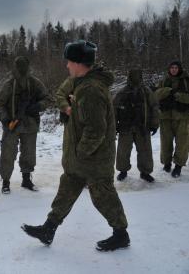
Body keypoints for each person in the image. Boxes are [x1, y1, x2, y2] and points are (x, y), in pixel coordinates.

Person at [22, 40, 130, 252]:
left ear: (80, 63)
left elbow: (96, 129)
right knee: (67, 189)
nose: (67, 66)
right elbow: (83, 117)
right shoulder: (83, 85)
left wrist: (80, 153)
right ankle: (49, 228)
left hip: (94, 158)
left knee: (103, 195)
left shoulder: (90, 89)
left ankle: (121, 234)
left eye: (69, 61)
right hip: (81, 157)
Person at [0, 56, 49, 193]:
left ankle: (26, 180)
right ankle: (6, 182)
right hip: (12, 125)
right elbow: (0, 104)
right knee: (8, 154)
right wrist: (6, 119)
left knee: (29, 154)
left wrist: (37, 106)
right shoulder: (9, 85)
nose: (21, 68)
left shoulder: (35, 83)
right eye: (19, 66)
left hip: (30, 124)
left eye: (24, 65)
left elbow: (47, 99)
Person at [114, 69, 159, 182]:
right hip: (126, 127)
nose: (135, 78)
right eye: (133, 76)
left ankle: (145, 172)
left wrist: (154, 124)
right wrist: (114, 126)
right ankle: (123, 171)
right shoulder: (122, 92)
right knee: (123, 150)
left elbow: (154, 107)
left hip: (142, 127)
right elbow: (114, 110)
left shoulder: (146, 92)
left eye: (137, 76)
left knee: (145, 150)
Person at [155, 61, 189, 178]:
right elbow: (156, 95)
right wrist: (168, 91)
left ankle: (178, 165)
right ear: (169, 69)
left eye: (176, 67)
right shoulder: (163, 80)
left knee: (182, 143)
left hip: (182, 117)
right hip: (166, 117)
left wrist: (179, 96)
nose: (174, 69)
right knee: (166, 142)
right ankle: (167, 163)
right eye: (172, 68)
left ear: (179, 69)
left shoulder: (186, 80)